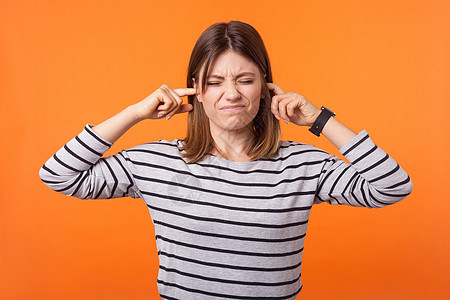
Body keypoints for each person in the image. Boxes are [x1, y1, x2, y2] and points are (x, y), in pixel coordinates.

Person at [39, 20, 413, 299]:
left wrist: (319, 120)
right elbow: (59, 175)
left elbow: (392, 186)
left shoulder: (303, 165)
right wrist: (135, 112)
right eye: (214, 82)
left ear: (266, 87)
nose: (231, 94)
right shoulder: (156, 161)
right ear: (196, 91)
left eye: (245, 80)